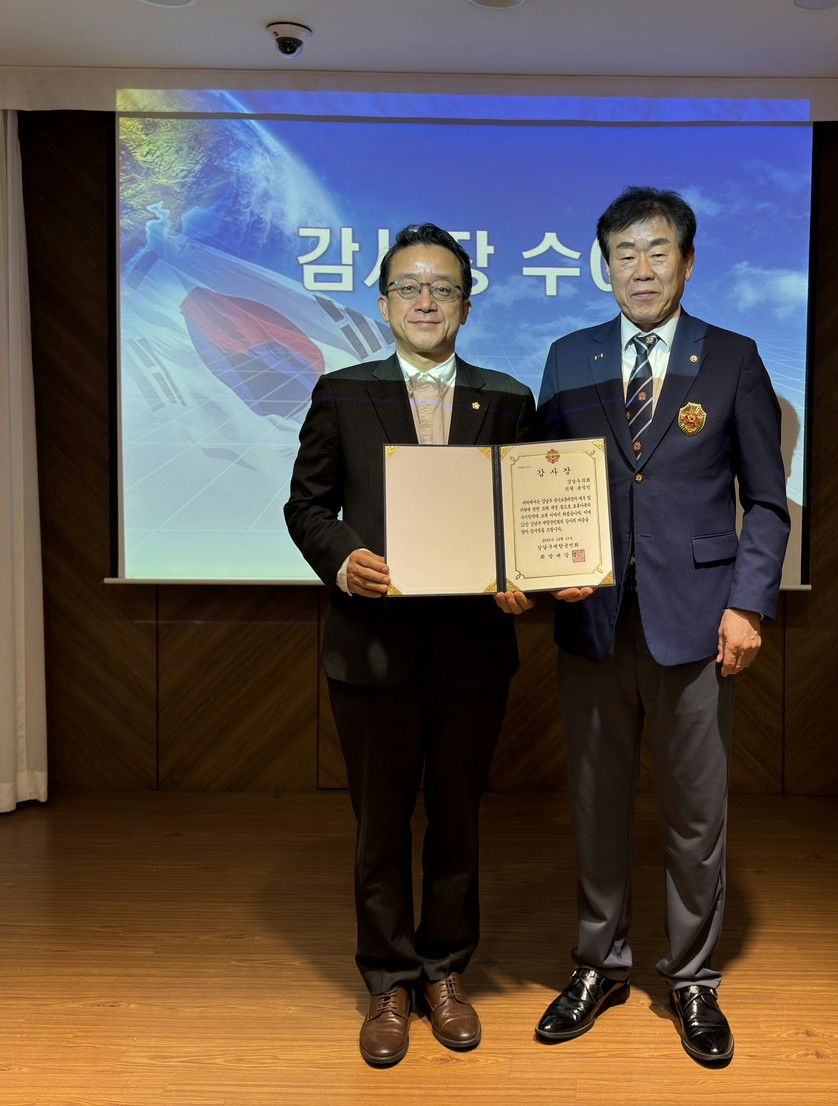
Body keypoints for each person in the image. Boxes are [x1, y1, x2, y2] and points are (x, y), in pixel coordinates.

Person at [533, 187, 790, 1063]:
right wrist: (533, 570)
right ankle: (598, 965)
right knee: (597, 805)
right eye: (622, 254)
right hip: (590, 621)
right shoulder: (568, 358)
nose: (639, 269)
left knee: (694, 815)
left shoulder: (734, 359)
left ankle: (691, 981)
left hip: (697, 624)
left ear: (687, 260)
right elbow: (539, 484)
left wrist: (748, 603)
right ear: (603, 265)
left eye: (656, 251)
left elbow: (767, 500)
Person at [285, 224, 536, 1067]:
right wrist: (341, 557)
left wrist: (521, 573)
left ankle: (444, 971)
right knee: (381, 824)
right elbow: (307, 506)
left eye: (444, 288)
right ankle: (387, 978)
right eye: (409, 287)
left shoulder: (506, 398)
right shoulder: (341, 391)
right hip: (372, 650)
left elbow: (522, 516)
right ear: (383, 300)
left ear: (468, 303)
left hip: (472, 650)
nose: (426, 301)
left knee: (458, 820)